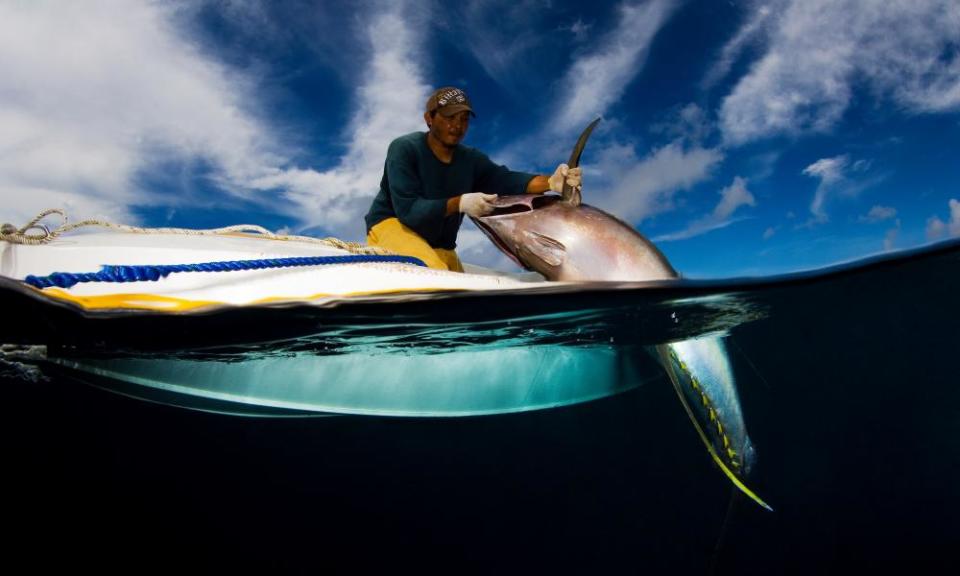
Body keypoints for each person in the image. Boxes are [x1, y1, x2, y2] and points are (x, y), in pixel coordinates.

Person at [364, 86, 581, 272]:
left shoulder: (471, 159)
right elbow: (409, 212)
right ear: (429, 118)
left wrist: (552, 182)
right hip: (393, 225)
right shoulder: (404, 148)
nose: (457, 126)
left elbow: (506, 179)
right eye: (449, 117)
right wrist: (460, 203)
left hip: (441, 245)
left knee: (464, 296)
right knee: (438, 279)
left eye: (463, 119)